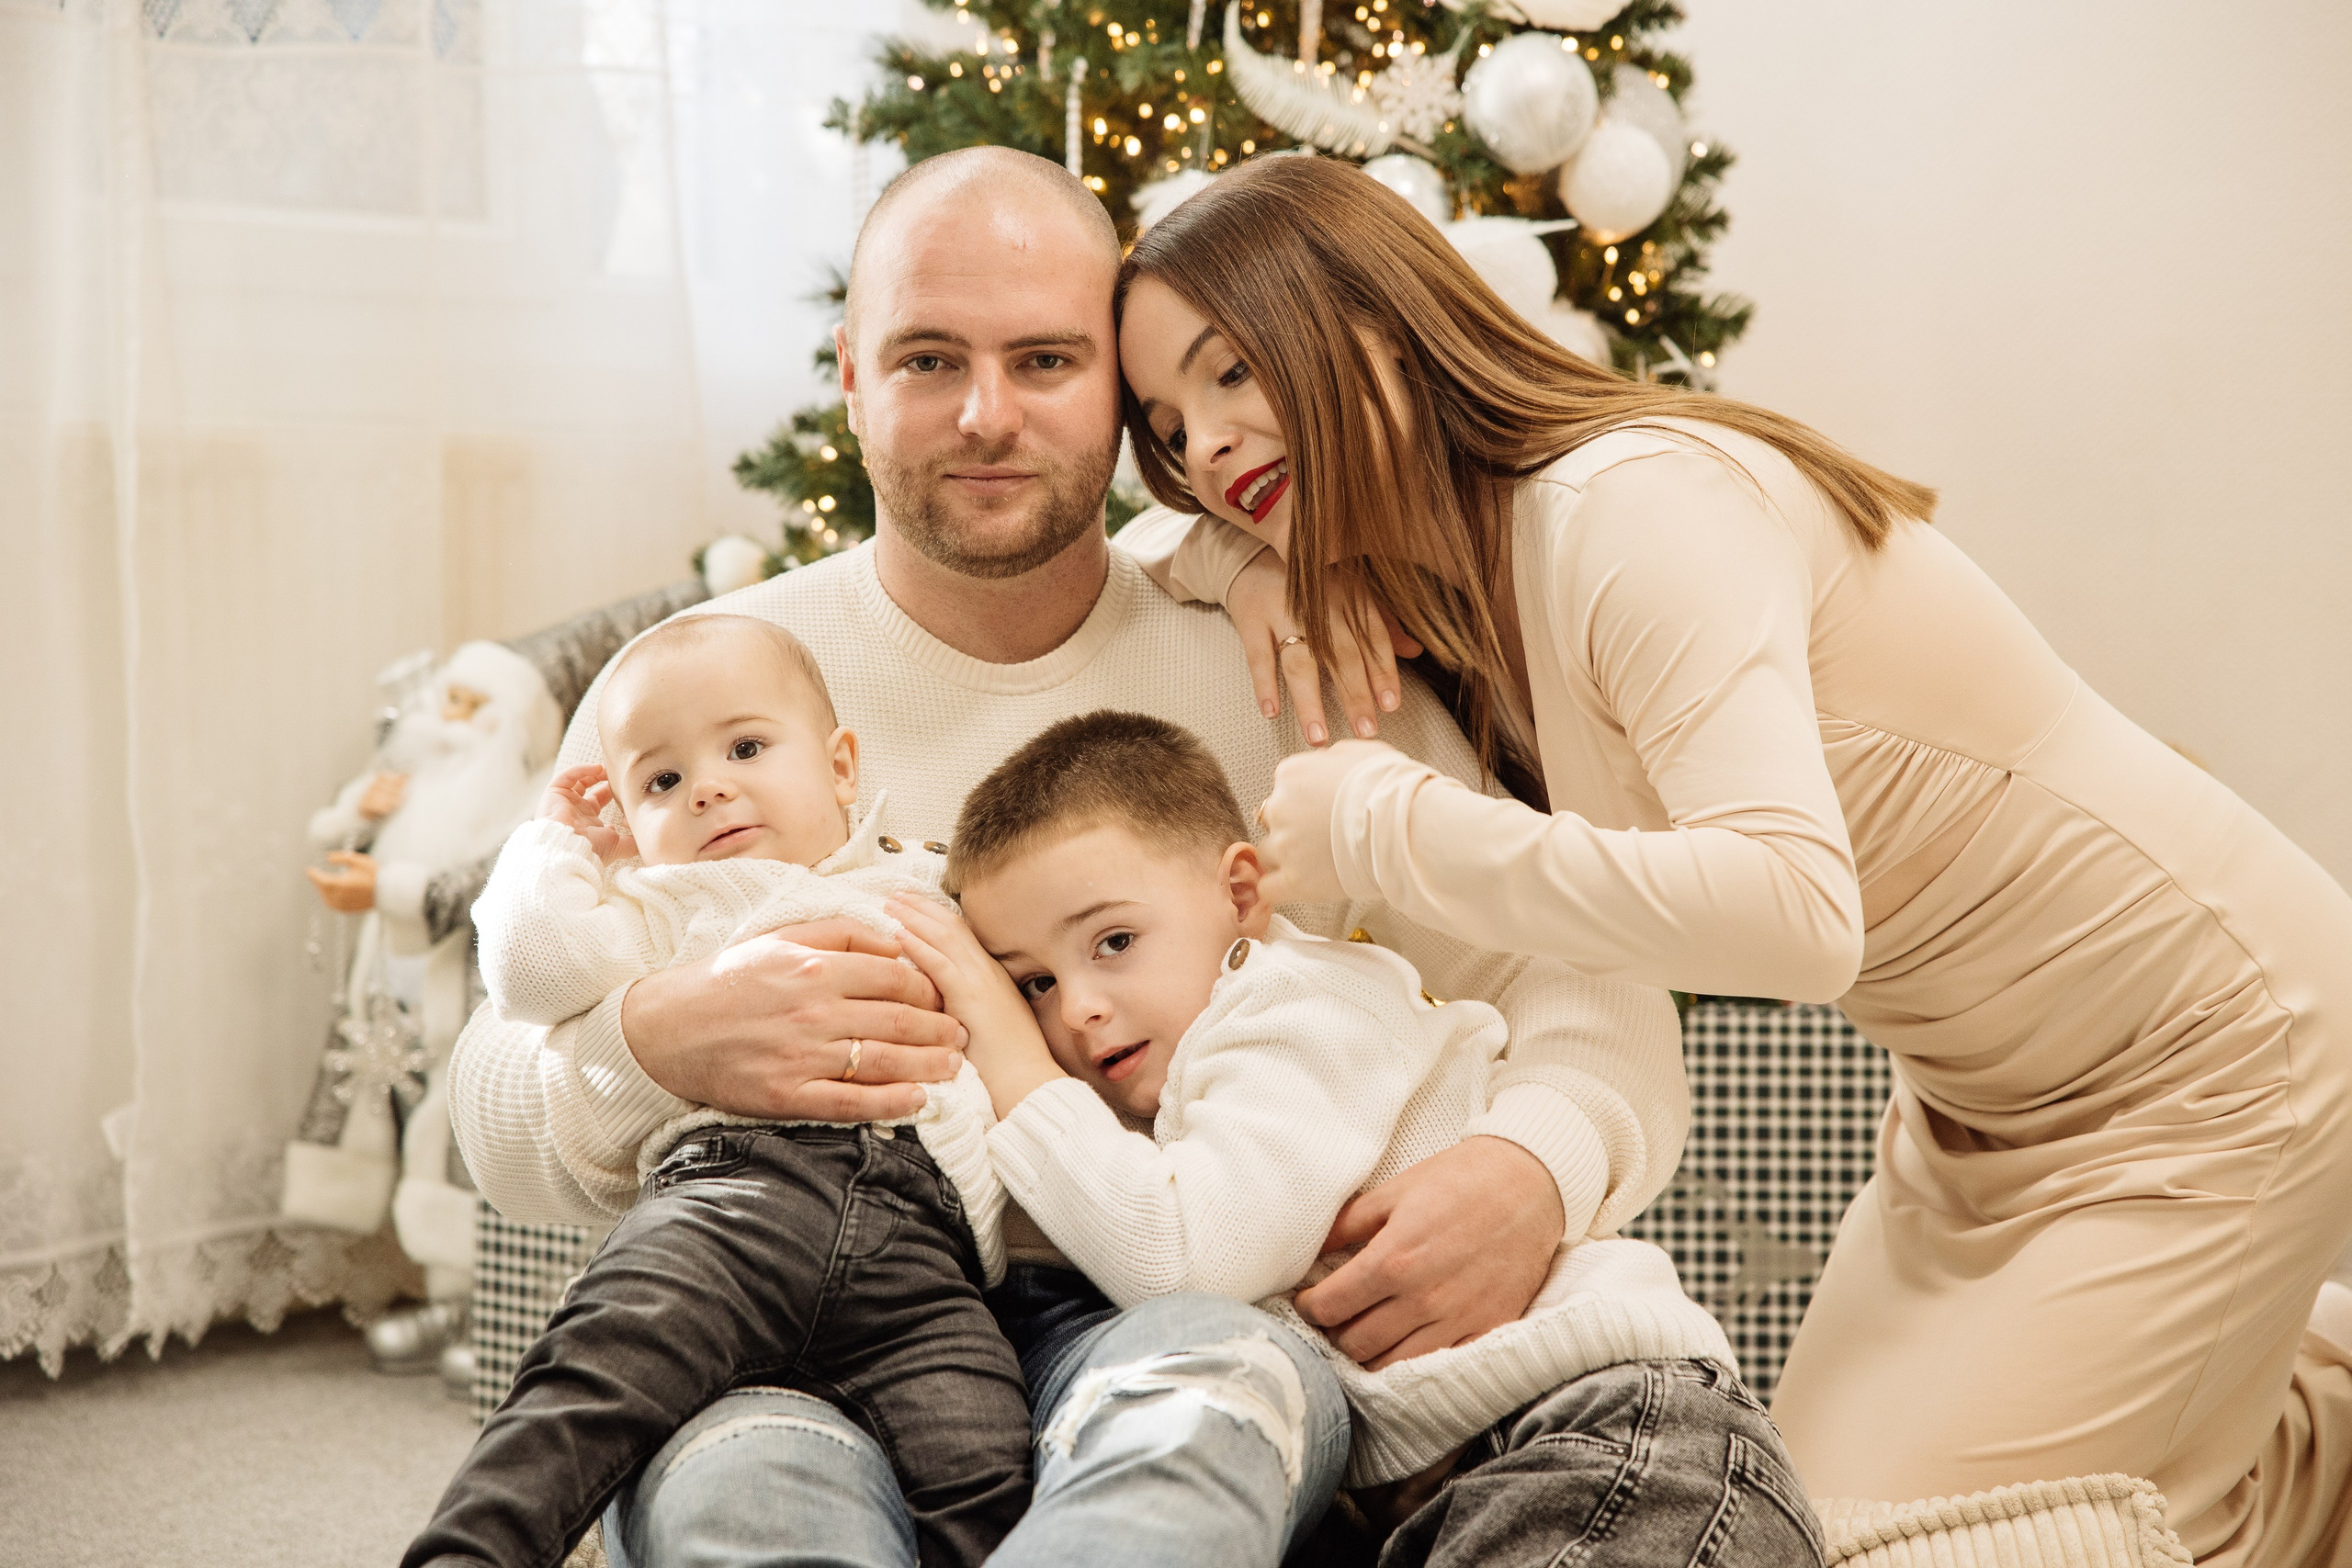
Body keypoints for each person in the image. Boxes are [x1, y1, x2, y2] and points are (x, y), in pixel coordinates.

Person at [447, 145, 1690, 1568]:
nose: (987, 415)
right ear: (848, 375)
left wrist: (1536, 1162)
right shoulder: (703, 685)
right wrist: (654, 1037)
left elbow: (1586, 981)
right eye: (928, 359)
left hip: (1180, 1323)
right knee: (743, 1483)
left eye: (1045, 359)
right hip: (792, 1330)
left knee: (1213, 1393)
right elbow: (490, 1099)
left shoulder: (1292, 649)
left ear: (1123, 392)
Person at [1112, 152, 2352, 1567]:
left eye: (1232, 372)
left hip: (2214, 1056)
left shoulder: (1631, 508)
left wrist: (1390, 823)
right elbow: (1132, 551)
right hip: (1976, 1110)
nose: (1208, 448)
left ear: (1376, 324)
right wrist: (1251, 566)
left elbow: (1797, 916)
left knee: (1922, 1546)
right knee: (1804, 1525)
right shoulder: (1440, 573)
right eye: (1169, 423)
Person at [884, 709, 1818, 1566]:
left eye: (1114, 942)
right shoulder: (1193, 1062)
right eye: (1034, 984)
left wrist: (1015, 1059)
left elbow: (1185, 1262)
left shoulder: (1296, 1008)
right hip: (1440, 1485)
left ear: (1240, 894)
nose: (1079, 1008)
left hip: (1607, 1427)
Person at [405, 614, 1023, 1568]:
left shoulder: (928, 884)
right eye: (662, 781)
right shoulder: (655, 907)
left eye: (744, 748)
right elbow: (529, 972)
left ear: (840, 767)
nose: (708, 788)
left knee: (986, 1462)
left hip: (923, 1253)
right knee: (593, 1381)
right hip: (727, 1204)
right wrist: (554, 844)